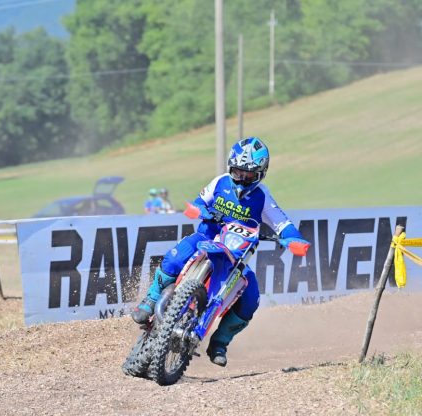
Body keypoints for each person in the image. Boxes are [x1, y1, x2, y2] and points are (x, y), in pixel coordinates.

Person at [132, 136, 310, 367]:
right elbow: (199, 201)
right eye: (238, 172)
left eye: (249, 175)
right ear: (230, 167)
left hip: (235, 255)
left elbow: (281, 223)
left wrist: (293, 238)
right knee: (175, 256)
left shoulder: (262, 196)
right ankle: (152, 298)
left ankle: (220, 342)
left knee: (251, 299)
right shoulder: (220, 183)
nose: (243, 179)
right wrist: (198, 209)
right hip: (205, 237)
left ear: (261, 174)